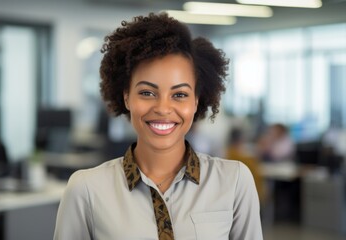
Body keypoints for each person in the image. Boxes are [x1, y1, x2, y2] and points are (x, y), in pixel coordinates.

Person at [54, 12, 263, 240]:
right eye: (147, 92)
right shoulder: (85, 189)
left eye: (180, 94)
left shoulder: (234, 181)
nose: (163, 108)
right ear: (126, 97)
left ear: (195, 101)